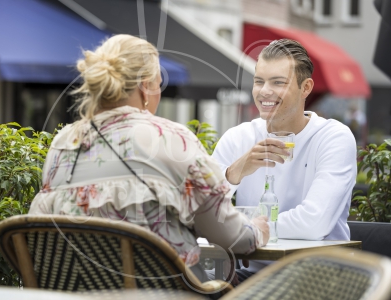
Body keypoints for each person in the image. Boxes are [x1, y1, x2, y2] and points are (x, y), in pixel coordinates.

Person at [28, 34, 269, 285]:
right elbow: (228, 235)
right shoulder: (172, 139)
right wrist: (256, 231)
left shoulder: (63, 143)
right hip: (160, 292)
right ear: (145, 87)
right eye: (158, 84)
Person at [211, 39, 357, 282]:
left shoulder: (333, 137)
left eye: (278, 82)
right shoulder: (239, 137)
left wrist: (243, 228)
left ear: (306, 87)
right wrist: (234, 172)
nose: (264, 91)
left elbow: (314, 223)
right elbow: (197, 209)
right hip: (246, 276)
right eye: (259, 81)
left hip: (316, 278)